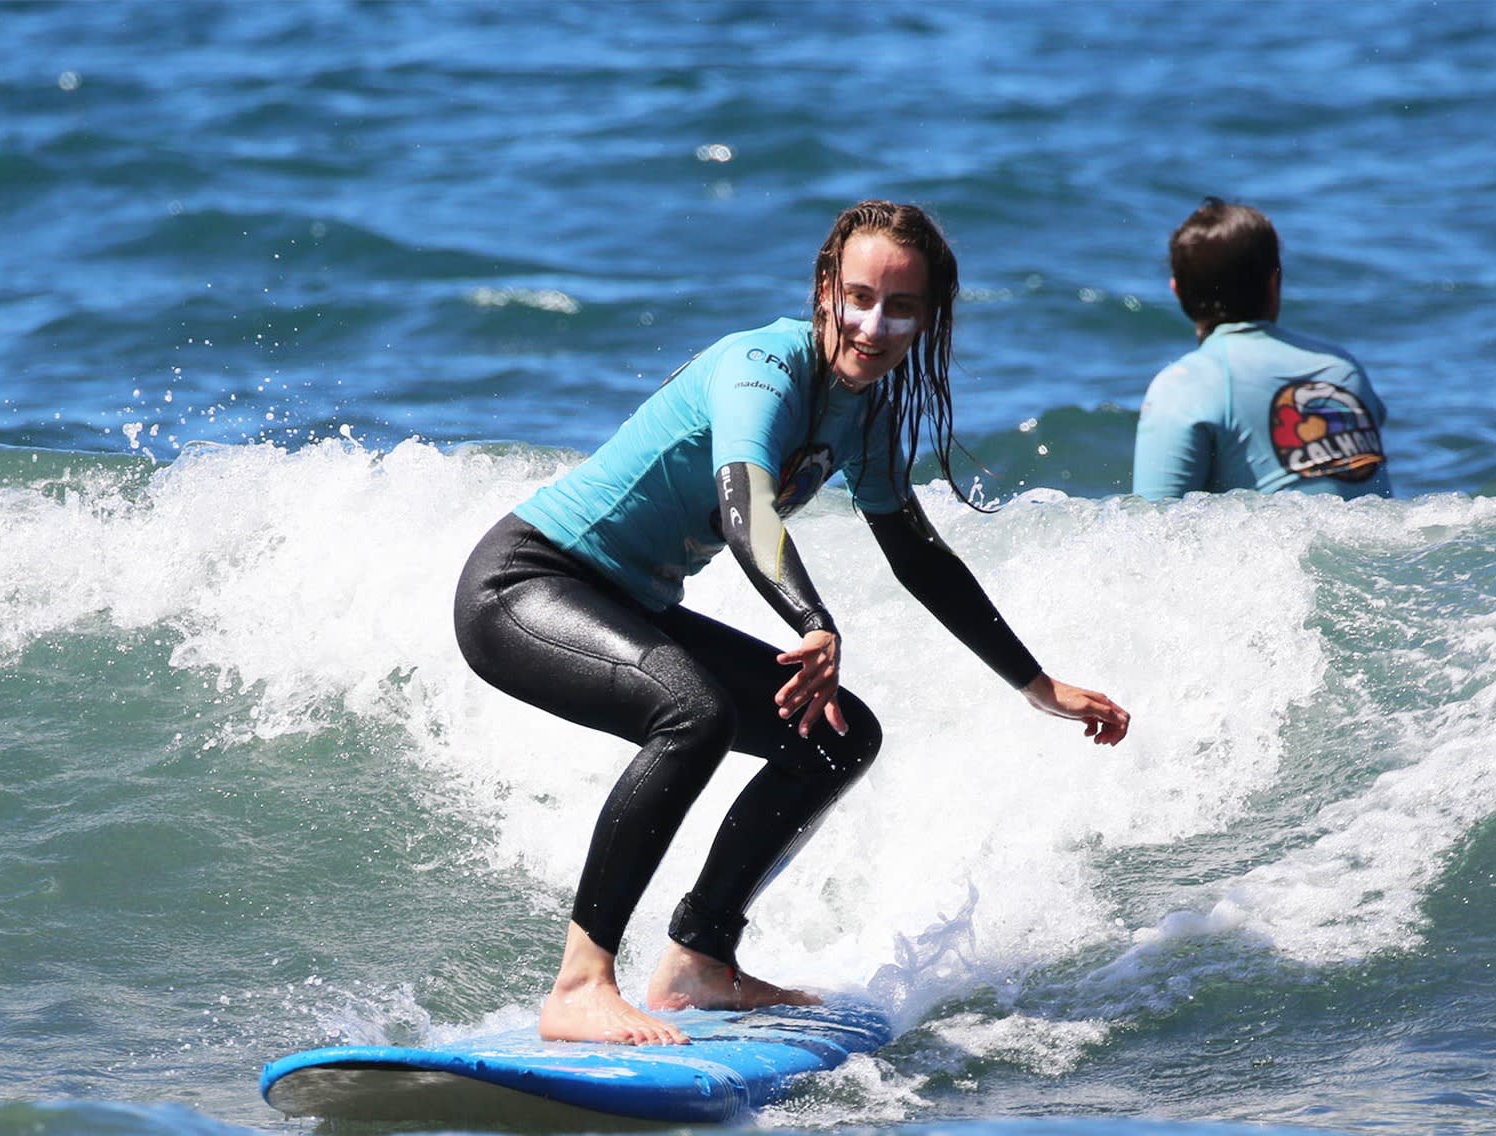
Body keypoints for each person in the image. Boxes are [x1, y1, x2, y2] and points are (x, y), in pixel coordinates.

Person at [454, 199, 1131, 1046]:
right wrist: (815, 620)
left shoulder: (870, 409)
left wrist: (1038, 686)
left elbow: (917, 555)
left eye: (901, 307)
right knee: (692, 714)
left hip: (625, 601)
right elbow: (747, 508)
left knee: (836, 736)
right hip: (526, 584)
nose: (872, 325)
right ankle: (580, 982)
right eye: (857, 297)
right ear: (823, 290)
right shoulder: (761, 368)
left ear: (930, 317)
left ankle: (699, 959)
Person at [1132, 197, 1393, 499]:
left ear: (1176, 291)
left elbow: (1154, 523)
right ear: (1274, 282)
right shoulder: (1343, 369)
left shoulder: (1186, 384)